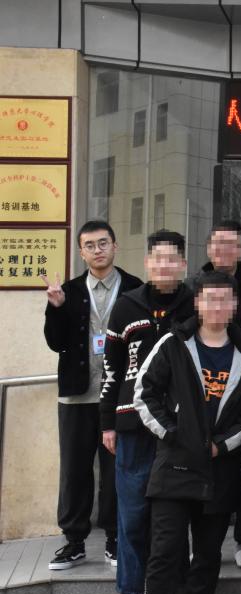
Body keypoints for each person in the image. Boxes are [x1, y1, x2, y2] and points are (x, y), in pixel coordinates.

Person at [129, 271, 241, 594]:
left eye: (226, 299)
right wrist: (174, 434)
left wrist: (222, 445)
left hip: (219, 469)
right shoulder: (173, 343)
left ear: (235, 305)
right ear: (198, 303)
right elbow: (144, 394)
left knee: (207, 556)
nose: (218, 306)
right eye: (211, 299)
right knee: (164, 555)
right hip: (173, 467)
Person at [100, 230, 194, 594]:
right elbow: (111, 369)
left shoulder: (194, 304)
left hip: (178, 424)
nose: (164, 265)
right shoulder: (127, 305)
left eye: (172, 259)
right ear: (147, 263)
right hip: (131, 423)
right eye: (157, 259)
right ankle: (135, 590)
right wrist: (107, 423)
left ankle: (176, 586)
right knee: (133, 510)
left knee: (175, 513)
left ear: (183, 264)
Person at [42, 220, 142, 571]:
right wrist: (56, 308)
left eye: (103, 243)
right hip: (78, 395)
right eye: (90, 245)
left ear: (115, 246)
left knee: (117, 469)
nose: (97, 250)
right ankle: (73, 541)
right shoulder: (67, 291)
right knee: (75, 470)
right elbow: (55, 342)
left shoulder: (134, 288)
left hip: (120, 396)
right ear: (81, 252)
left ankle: (115, 539)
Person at [186, 219, 241, 571]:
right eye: (216, 243)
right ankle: (201, 543)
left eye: (231, 243)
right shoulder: (195, 284)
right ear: (208, 248)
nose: (222, 249)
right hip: (207, 379)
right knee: (204, 465)